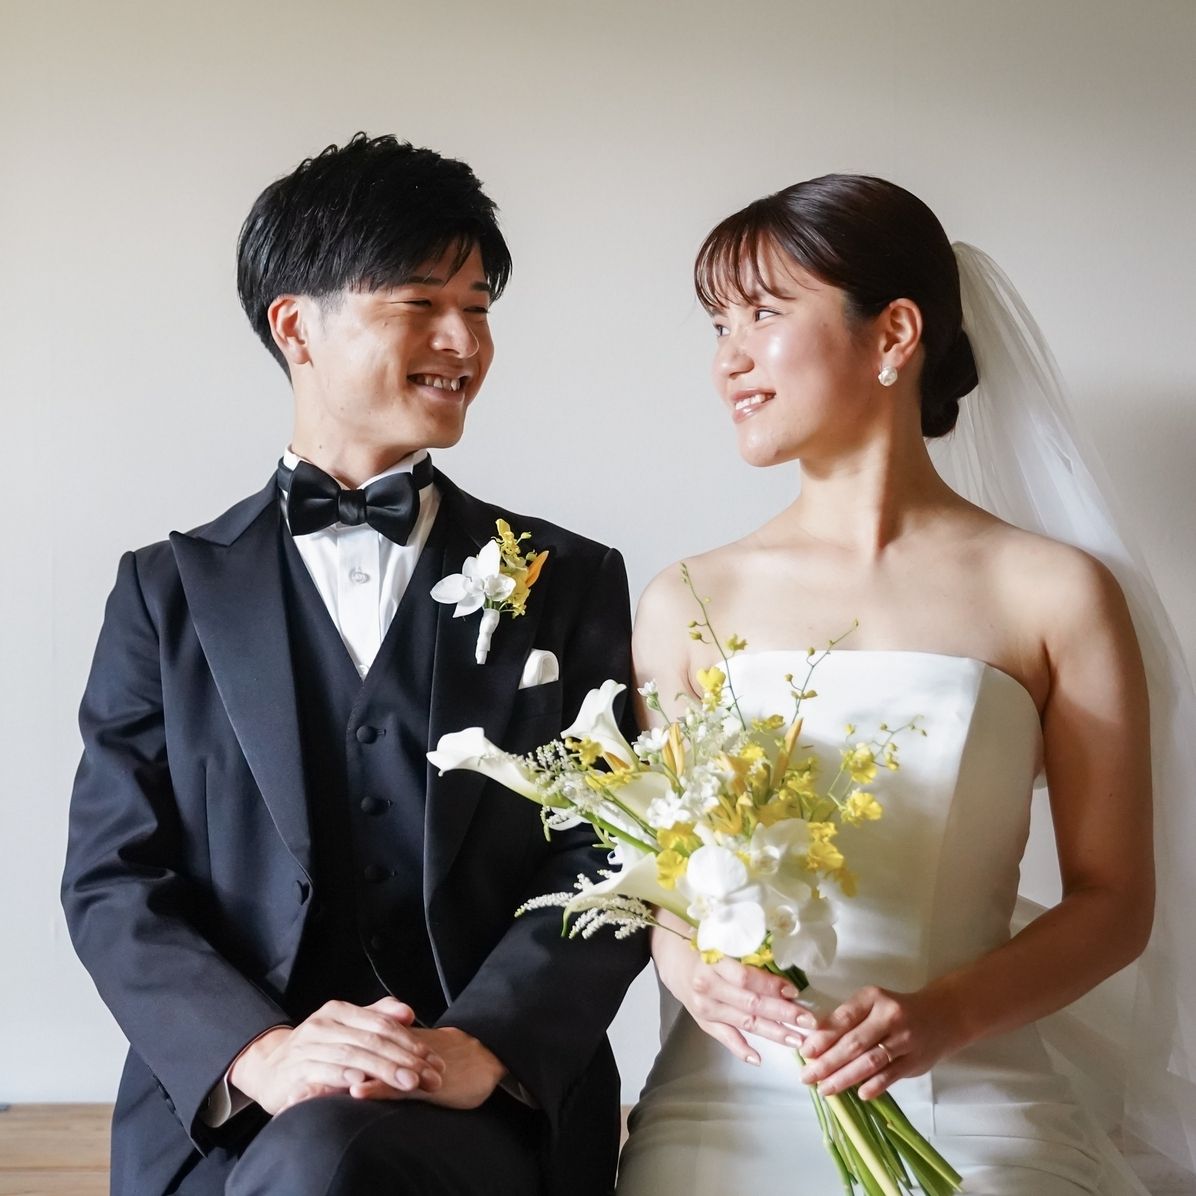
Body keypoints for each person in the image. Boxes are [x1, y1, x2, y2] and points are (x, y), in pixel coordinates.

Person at [61, 133, 644, 1196]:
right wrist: (260, 1053)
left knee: (332, 1160)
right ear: (296, 326)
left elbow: (608, 853)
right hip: (223, 1112)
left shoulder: (567, 579)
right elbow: (115, 878)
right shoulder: (163, 593)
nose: (463, 340)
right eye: (421, 303)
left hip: (479, 1100)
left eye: (478, 306)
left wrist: (484, 1043)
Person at [616, 175, 1160, 1194]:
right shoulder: (686, 596)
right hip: (724, 1101)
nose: (727, 357)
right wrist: (690, 967)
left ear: (894, 333)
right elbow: (670, 879)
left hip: (973, 1092)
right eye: (718, 325)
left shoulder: (1054, 592)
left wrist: (943, 1015)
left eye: (763, 314)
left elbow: (1114, 902)